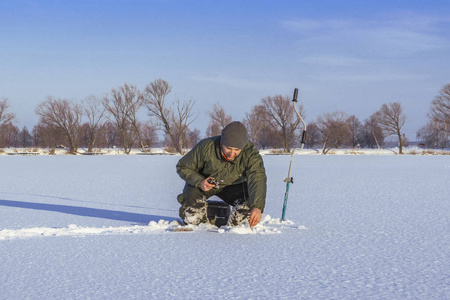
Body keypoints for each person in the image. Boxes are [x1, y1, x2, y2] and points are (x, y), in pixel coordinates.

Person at [176, 121, 267, 228]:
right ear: (221, 143)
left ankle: (233, 228)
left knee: (249, 205)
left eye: (237, 150)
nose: (232, 154)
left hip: (234, 186)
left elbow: (257, 179)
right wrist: (199, 182)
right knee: (192, 213)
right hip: (205, 184)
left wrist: (257, 207)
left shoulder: (251, 154)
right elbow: (183, 166)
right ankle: (200, 228)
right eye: (228, 148)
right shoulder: (206, 146)